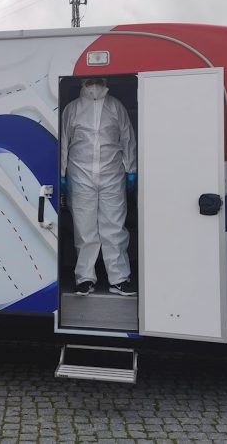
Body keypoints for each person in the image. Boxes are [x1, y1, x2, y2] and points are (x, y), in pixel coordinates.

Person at [60, 78, 137, 296]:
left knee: (114, 228)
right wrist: (61, 173)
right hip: (80, 175)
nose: (94, 85)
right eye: (90, 81)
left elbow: (127, 138)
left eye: (98, 80)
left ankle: (119, 279)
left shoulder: (116, 106)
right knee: (85, 229)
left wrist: (131, 170)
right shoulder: (72, 109)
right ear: (83, 82)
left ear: (105, 81)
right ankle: (84, 278)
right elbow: (64, 141)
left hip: (112, 175)